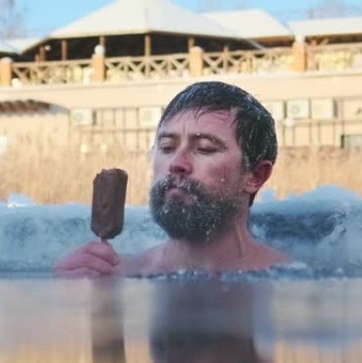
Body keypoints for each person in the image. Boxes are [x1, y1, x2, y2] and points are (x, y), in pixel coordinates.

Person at [55, 81, 290, 278]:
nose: (176, 163)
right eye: (167, 147)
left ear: (255, 175)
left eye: (205, 149)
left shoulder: (287, 282)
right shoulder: (112, 275)